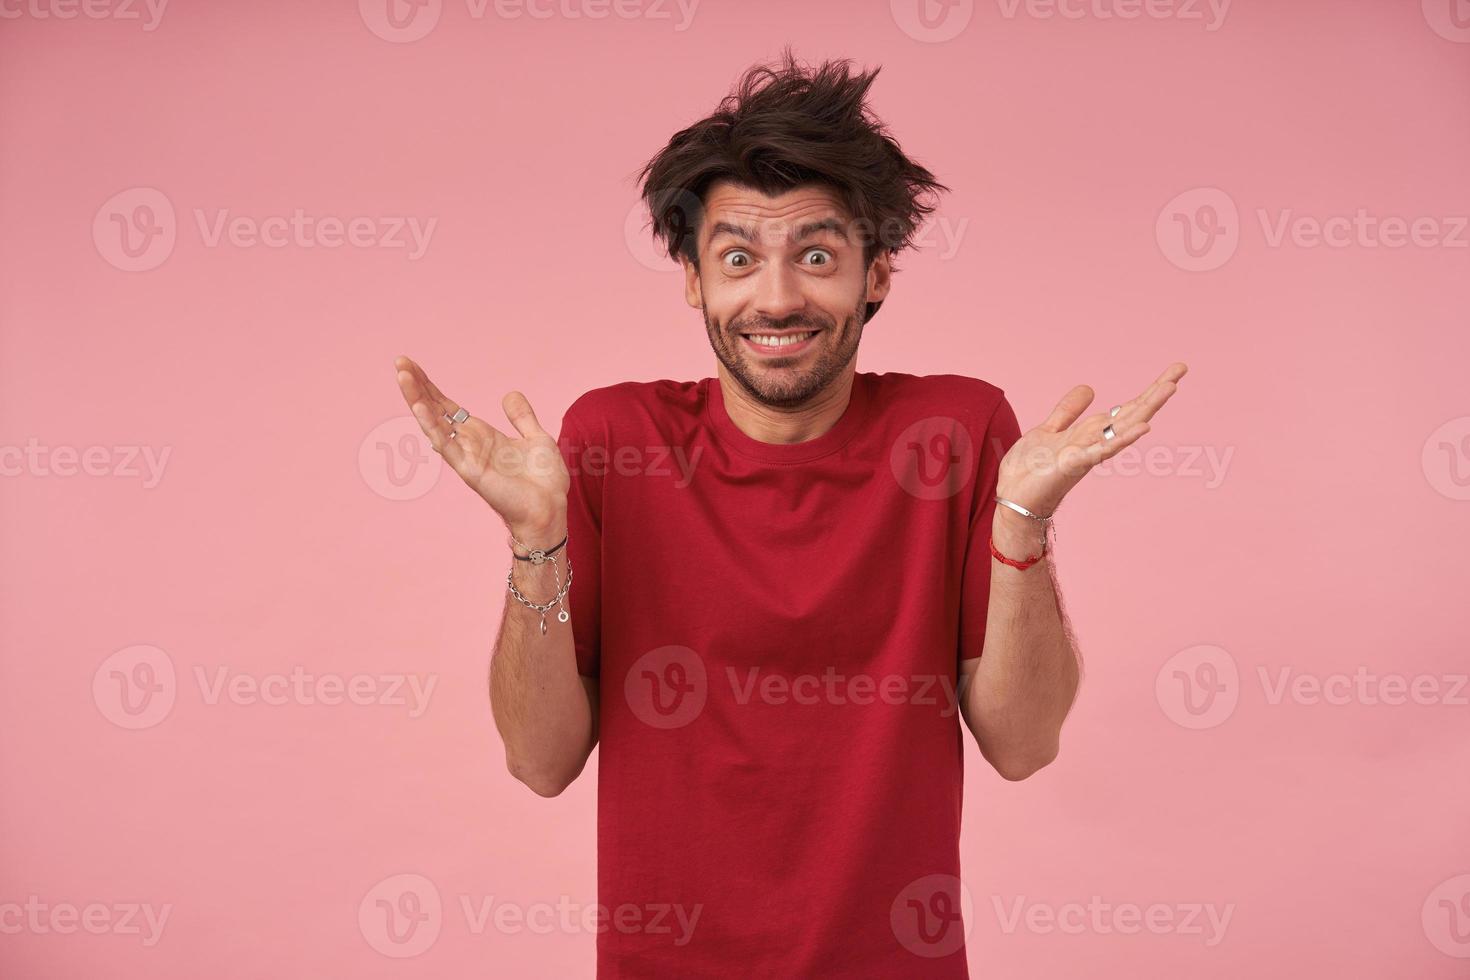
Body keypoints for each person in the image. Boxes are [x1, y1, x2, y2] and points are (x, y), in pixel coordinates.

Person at [394, 47, 1184, 980]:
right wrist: (537, 542)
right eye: (737, 258)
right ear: (694, 280)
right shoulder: (614, 437)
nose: (776, 298)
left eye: (816, 255)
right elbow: (540, 761)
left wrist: (1021, 526)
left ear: (876, 274)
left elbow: (1022, 744)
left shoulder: (957, 433)